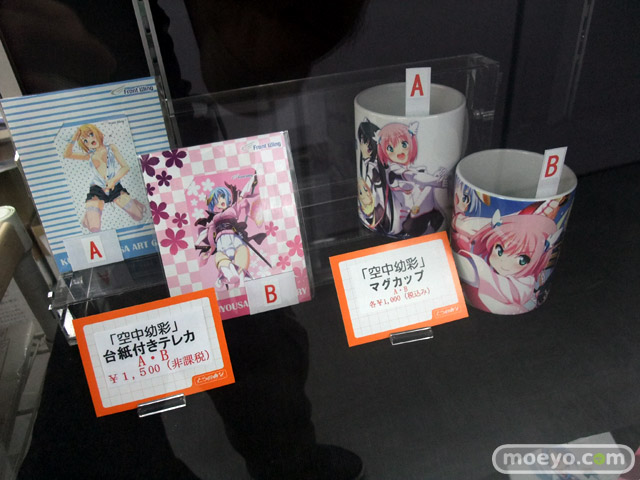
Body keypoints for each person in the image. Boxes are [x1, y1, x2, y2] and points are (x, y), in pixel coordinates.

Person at [64, 123, 145, 232]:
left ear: (97, 133)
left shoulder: (111, 148)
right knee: (94, 228)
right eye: (85, 141)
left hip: (115, 187)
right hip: (97, 190)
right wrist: (75, 137)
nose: (90, 140)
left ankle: (133, 202)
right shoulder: (89, 155)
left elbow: (125, 167)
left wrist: (113, 180)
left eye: (91, 134)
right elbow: (67, 154)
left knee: (139, 216)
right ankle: (89, 215)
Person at [376, 122, 448, 237]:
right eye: (390, 148)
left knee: (430, 187)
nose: (399, 151)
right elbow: (414, 177)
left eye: (404, 144)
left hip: (420, 217)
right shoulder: (394, 171)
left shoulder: (409, 168)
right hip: (407, 222)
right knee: (430, 187)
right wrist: (437, 181)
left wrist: (434, 179)